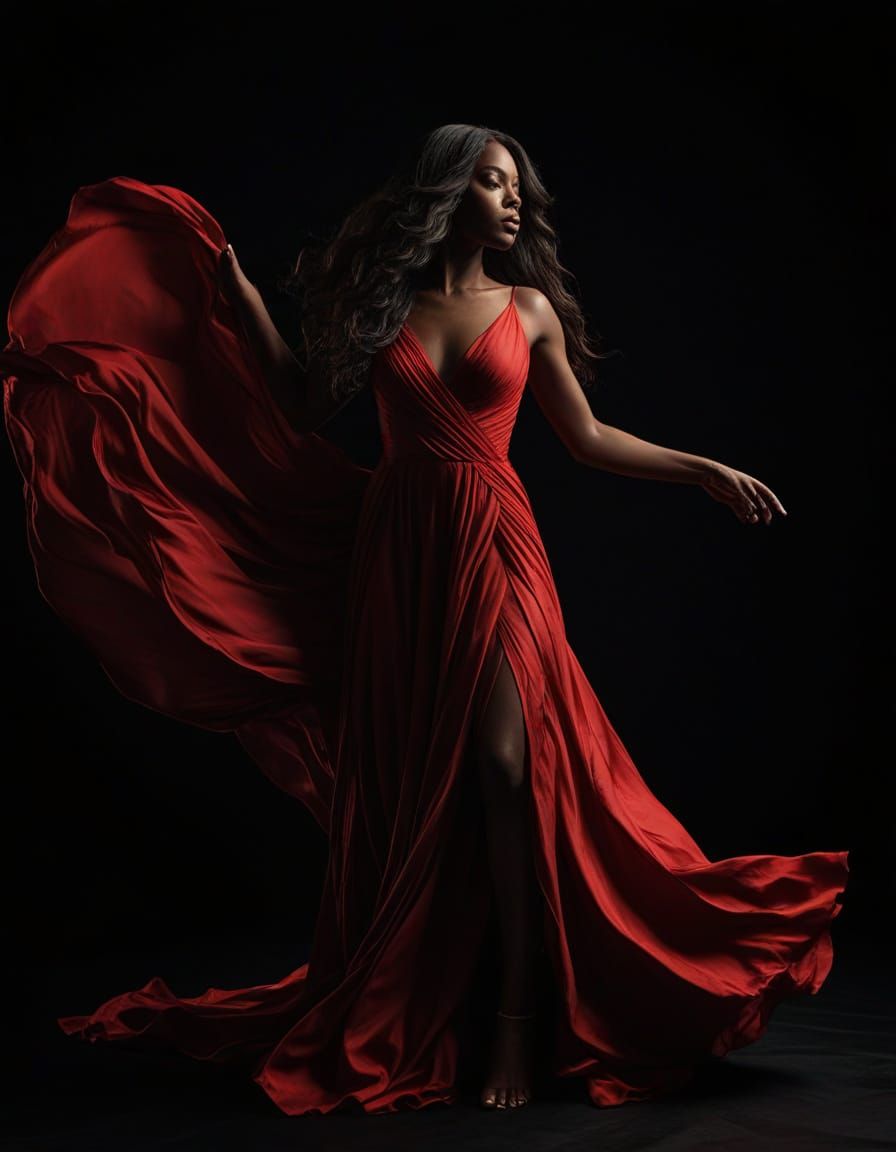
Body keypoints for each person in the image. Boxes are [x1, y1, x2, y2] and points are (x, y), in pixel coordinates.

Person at [0, 123, 849, 1116]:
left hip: (495, 536)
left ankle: (520, 1024)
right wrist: (233, 292)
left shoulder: (525, 309)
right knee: (418, 782)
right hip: (397, 553)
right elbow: (298, 404)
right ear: (448, 195)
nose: (516, 199)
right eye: (493, 182)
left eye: (519, 185)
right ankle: (451, 999)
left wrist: (699, 469)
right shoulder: (385, 305)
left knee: (505, 766)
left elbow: (583, 438)